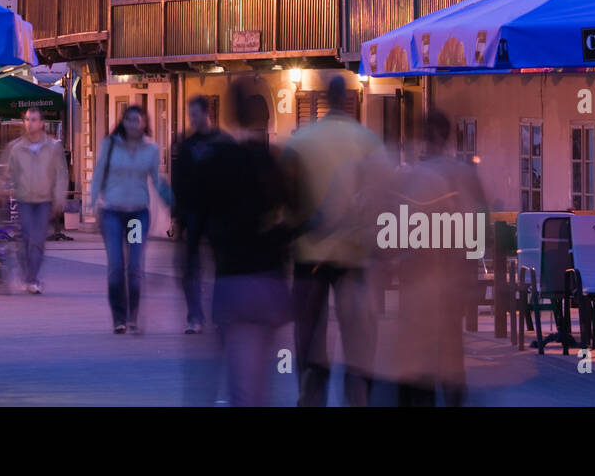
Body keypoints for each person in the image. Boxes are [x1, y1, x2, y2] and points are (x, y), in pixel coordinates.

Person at [281, 75, 392, 407]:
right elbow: (385, 197)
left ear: (325, 100)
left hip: (309, 255)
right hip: (353, 256)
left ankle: (310, 392)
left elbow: (287, 199)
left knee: (310, 334)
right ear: (347, 100)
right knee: (358, 337)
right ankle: (357, 397)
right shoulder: (369, 142)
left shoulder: (301, 140)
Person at [197, 84, 297, 406]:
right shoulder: (273, 162)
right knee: (261, 380)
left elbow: (202, 220)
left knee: (242, 384)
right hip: (268, 282)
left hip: (233, 281)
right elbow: (296, 213)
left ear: (228, 116)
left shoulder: (220, 161)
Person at [384, 109, 487, 407]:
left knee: (417, 359)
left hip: (418, 282)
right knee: (452, 355)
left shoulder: (413, 177)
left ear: (424, 137)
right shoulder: (464, 175)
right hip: (452, 281)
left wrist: (394, 263)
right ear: (448, 136)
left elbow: (398, 232)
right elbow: (479, 226)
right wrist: (470, 272)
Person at [90, 105, 171, 333]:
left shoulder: (151, 148)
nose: (134, 124)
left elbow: (156, 180)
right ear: (123, 122)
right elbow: (98, 174)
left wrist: (172, 202)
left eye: (138, 120)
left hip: (137, 214)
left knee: (134, 267)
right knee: (116, 266)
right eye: (130, 120)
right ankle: (119, 317)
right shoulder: (111, 143)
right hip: (112, 213)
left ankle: (133, 314)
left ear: (145, 123)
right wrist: (92, 201)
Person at [171, 95, 231, 335]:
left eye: (195, 114)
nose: (192, 119)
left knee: (222, 267)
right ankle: (194, 316)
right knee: (190, 268)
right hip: (192, 213)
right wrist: (178, 215)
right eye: (190, 114)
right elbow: (179, 181)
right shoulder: (186, 145)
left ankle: (219, 315)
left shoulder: (223, 142)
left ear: (207, 114)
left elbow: (232, 180)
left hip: (218, 213)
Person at [4, 108, 67, 295]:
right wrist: (7, 187)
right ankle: (26, 275)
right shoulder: (16, 148)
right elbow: (10, 172)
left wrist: (59, 197)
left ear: (41, 124)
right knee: (24, 239)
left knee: (38, 240)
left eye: (33, 119)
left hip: (44, 200)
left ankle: (32, 279)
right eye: (27, 119)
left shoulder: (53, 147)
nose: (29, 123)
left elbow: (61, 173)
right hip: (23, 199)